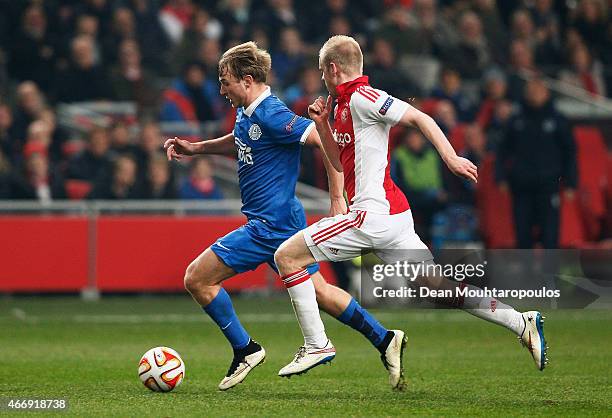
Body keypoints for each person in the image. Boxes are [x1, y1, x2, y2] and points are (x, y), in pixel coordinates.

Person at [274, 35, 548, 379]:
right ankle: (520, 321)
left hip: (370, 215)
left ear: (333, 68)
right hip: (390, 217)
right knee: (436, 287)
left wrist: (450, 157)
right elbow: (339, 162)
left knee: (287, 256)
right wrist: (321, 124)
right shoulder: (340, 106)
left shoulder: (363, 96)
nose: (321, 79)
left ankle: (317, 344)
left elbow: (421, 118)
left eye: (322, 72)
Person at [164, 41, 405, 391]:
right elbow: (244, 139)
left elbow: (324, 141)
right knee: (321, 292)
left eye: (225, 81)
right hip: (279, 223)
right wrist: (198, 147)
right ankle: (384, 339)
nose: (221, 89)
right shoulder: (249, 111)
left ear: (247, 80)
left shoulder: (273, 113)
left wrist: (337, 197)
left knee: (196, 279)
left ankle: (246, 348)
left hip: (268, 226)